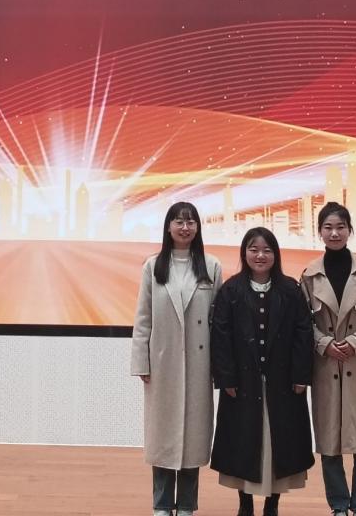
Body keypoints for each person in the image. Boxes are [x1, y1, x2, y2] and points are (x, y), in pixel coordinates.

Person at [210, 227, 314, 516]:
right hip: (242, 384)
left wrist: (301, 376)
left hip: (283, 384)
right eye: (254, 249)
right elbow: (220, 337)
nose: (260, 255)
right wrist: (226, 377)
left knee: (280, 443)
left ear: (275, 255)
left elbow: (303, 334)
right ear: (244, 253)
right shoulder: (231, 290)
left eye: (267, 250)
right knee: (243, 442)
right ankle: (244, 504)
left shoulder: (291, 290)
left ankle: (273, 504)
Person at [132, 201, 223, 516]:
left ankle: (185, 505)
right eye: (179, 221)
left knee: (192, 438)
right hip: (163, 362)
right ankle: (161, 505)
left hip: (199, 364)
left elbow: (218, 322)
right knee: (163, 436)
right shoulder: (153, 266)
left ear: (198, 227)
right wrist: (142, 362)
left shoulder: (211, 266)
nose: (185, 228)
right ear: (168, 226)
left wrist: (219, 367)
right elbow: (143, 318)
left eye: (191, 222)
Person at [300, 202, 356, 516]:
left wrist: (354, 342)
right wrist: (324, 343)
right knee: (329, 442)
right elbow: (302, 322)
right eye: (328, 227)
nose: (334, 233)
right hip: (326, 365)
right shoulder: (310, 275)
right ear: (320, 232)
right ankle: (338, 505)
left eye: (340, 227)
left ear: (350, 230)